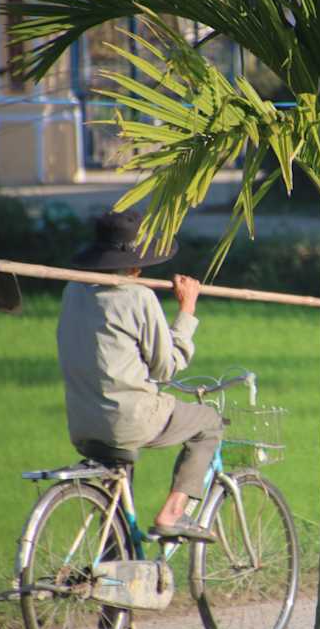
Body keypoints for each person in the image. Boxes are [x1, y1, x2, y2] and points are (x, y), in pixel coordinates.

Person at [57, 210, 220, 541]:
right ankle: (173, 514)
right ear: (133, 266)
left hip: (83, 423)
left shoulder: (73, 292)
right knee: (209, 422)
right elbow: (166, 367)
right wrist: (187, 310)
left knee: (115, 487)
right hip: (128, 420)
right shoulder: (138, 296)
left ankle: (115, 560)